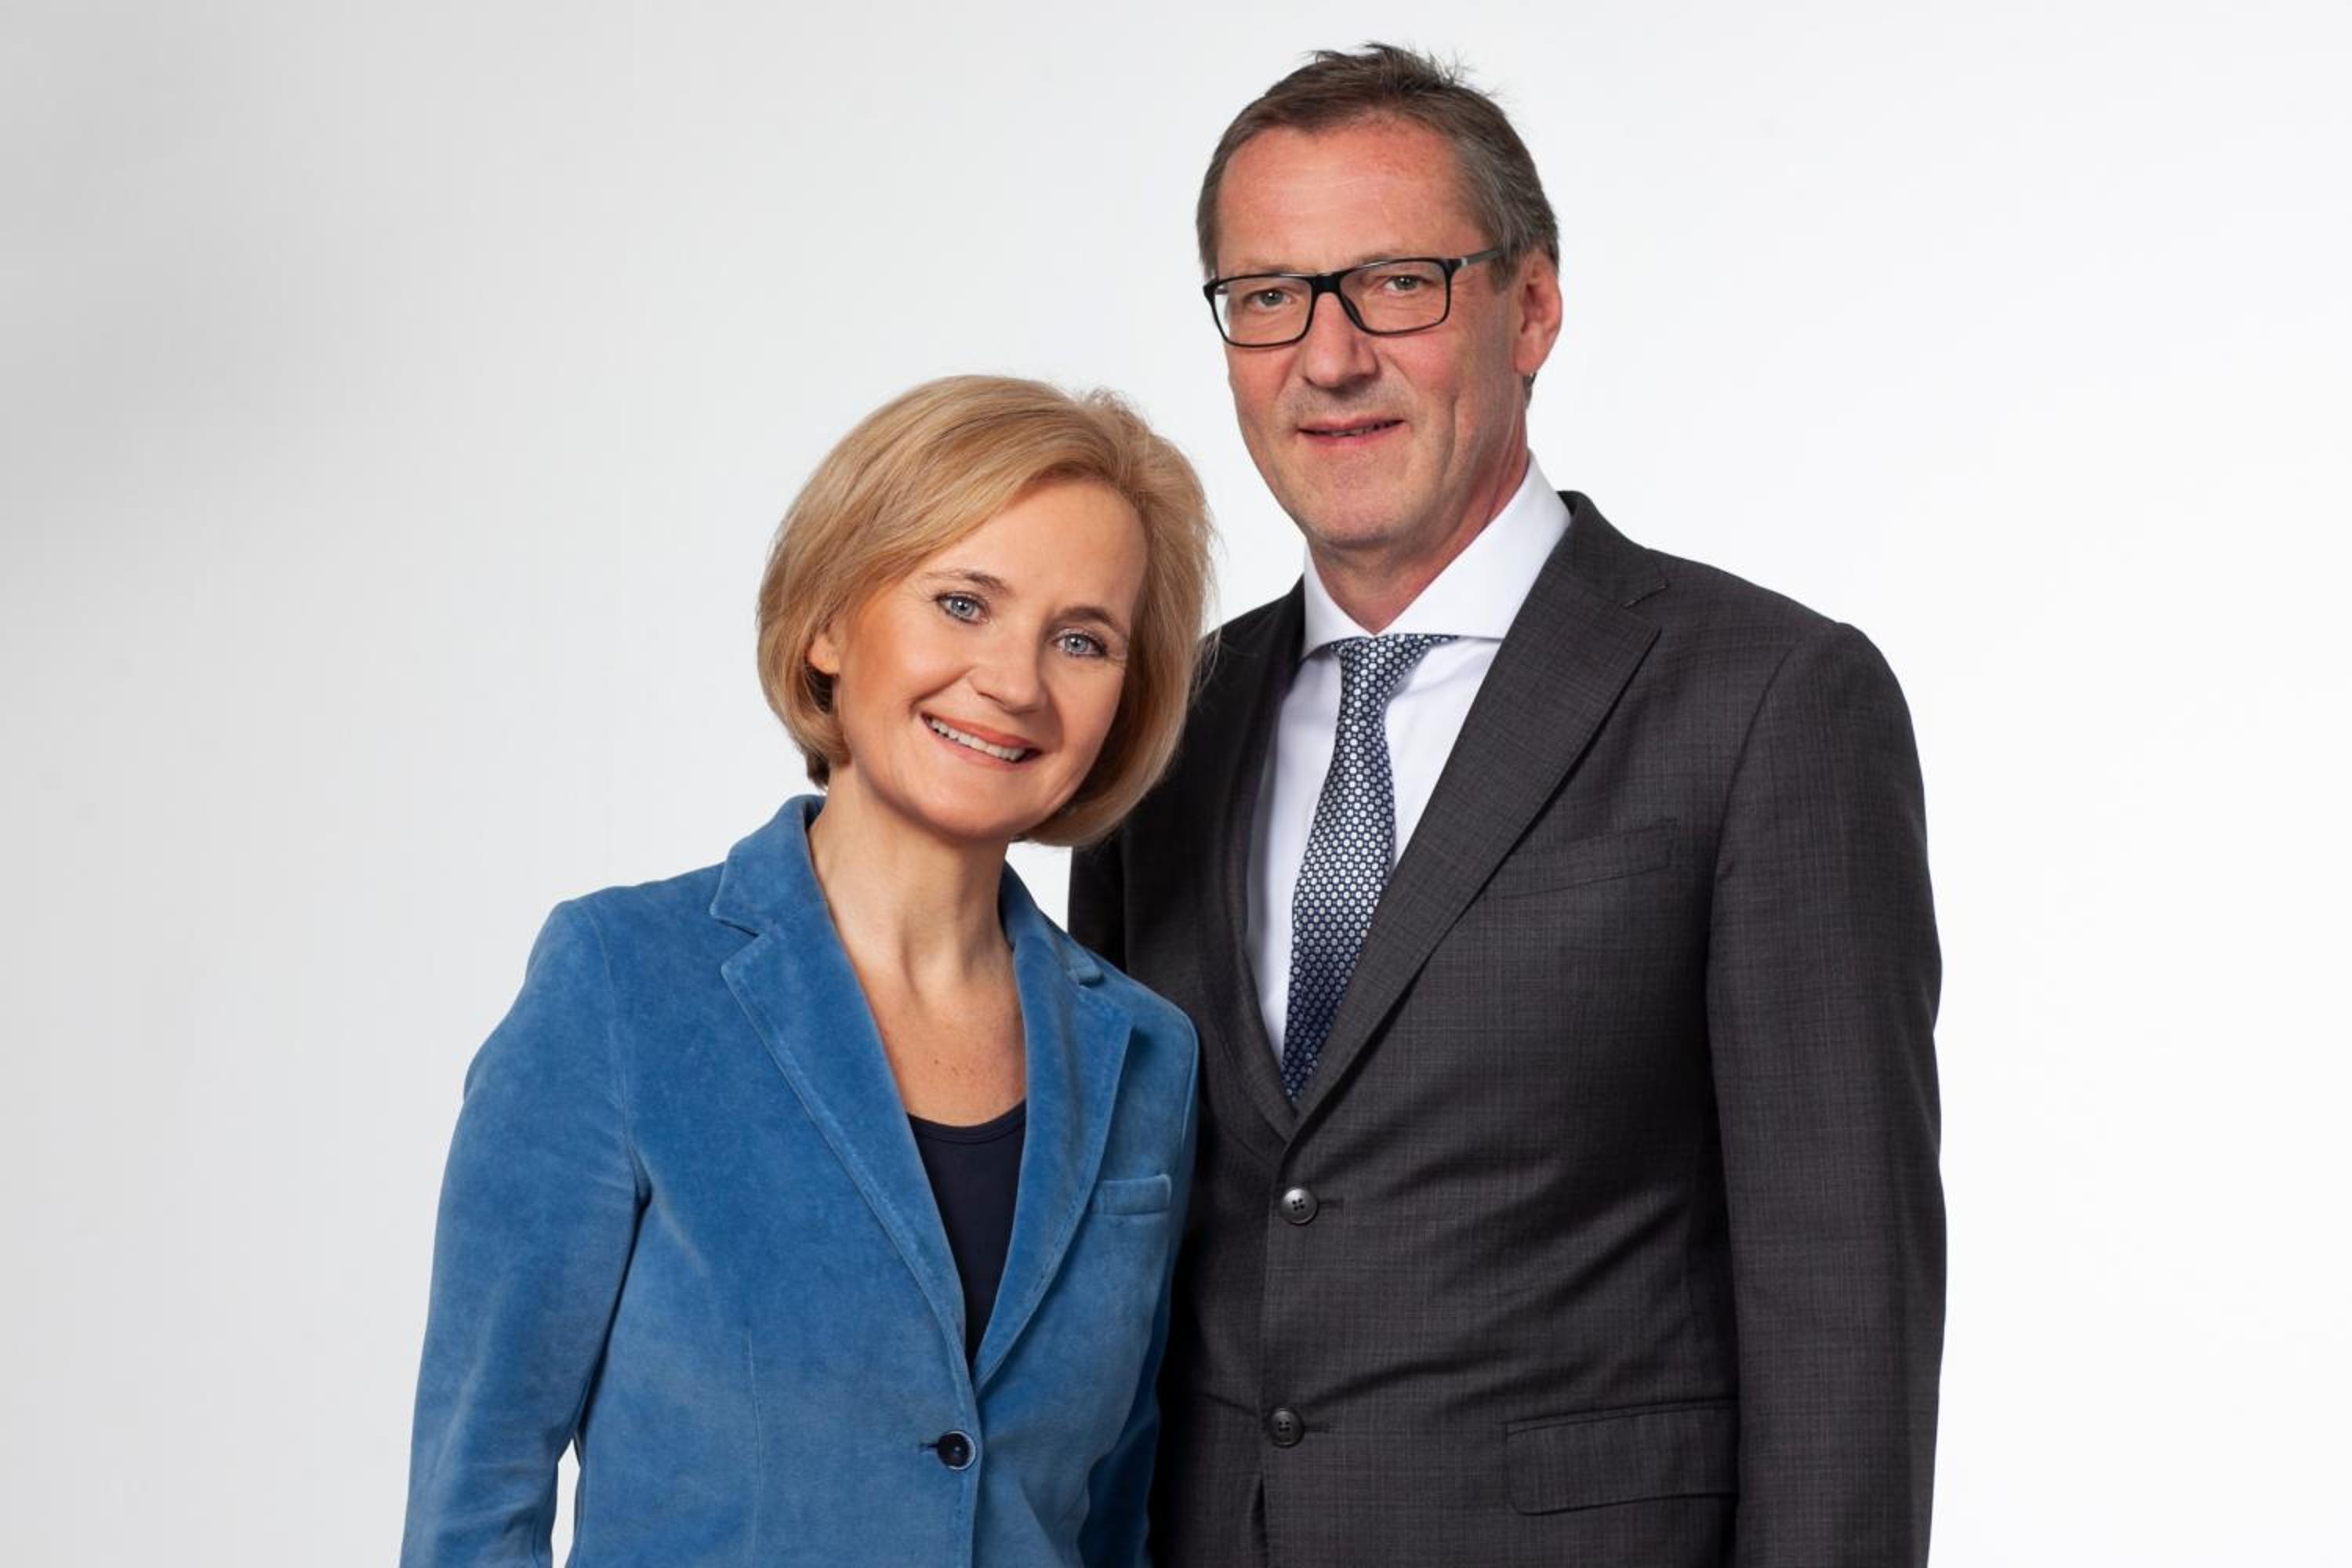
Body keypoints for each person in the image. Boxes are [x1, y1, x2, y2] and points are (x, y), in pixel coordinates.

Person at [1069, 45, 1944, 1567]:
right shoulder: (1162, 724)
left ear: (1531, 306)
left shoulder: (1767, 703)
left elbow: (1843, 1302)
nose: (1328, 357)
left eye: (1395, 284)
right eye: (1268, 296)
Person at [401, 375, 1214, 1566]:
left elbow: (1117, 1513)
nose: (1015, 681)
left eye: (1082, 640)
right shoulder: (622, 985)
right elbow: (477, 1498)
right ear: (830, 625)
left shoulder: (1146, 1056)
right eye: (963, 604)